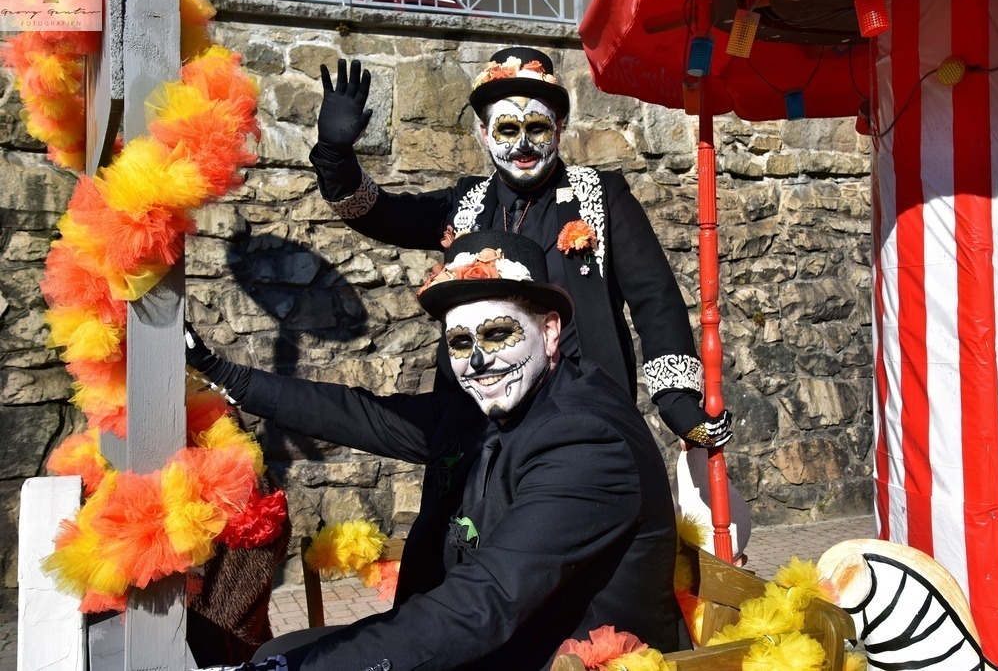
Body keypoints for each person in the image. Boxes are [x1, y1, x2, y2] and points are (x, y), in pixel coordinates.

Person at [187, 230, 688, 670]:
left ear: (550, 331)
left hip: (555, 658)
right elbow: (361, 415)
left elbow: (487, 601)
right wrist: (221, 372)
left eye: (498, 333)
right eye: (460, 343)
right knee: (280, 652)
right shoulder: (479, 409)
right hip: (486, 640)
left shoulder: (586, 438)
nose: (479, 361)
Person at [309, 46, 733, 451]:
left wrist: (676, 399)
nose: (523, 145)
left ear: (559, 128)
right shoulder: (465, 203)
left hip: (581, 417)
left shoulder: (603, 196)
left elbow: (654, 297)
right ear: (483, 133)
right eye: (508, 129)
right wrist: (336, 157)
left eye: (537, 128)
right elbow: (381, 214)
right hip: (479, 425)